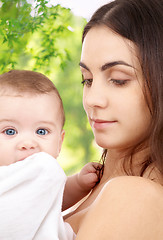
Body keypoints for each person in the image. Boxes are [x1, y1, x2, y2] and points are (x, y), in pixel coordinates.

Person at [64, 0, 163, 239]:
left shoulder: (136, 196)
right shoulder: (82, 187)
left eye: (119, 79)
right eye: (87, 79)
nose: (92, 100)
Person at [0, 70, 101, 240]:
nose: (28, 143)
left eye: (41, 131)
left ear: (60, 143)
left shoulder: (46, 174)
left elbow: (49, 196)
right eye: (10, 131)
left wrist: (78, 184)